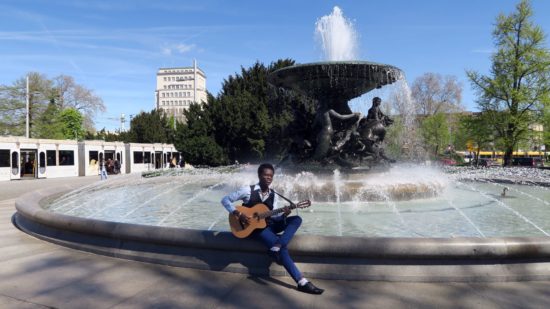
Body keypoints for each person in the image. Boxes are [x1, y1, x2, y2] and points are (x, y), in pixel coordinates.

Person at [221, 163, 324, 295]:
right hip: (254, 229)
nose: (269, 178)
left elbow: (275, 218)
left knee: (297, 219)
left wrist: (285, 214)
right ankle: (301, 282)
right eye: (266, 175)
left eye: (271, 176)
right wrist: (238, 214)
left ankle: (278, 245)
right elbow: (225, 200)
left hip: (268, 224)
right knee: (284, 250)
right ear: (259, 175)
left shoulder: (274, 195)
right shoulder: (248, 190)